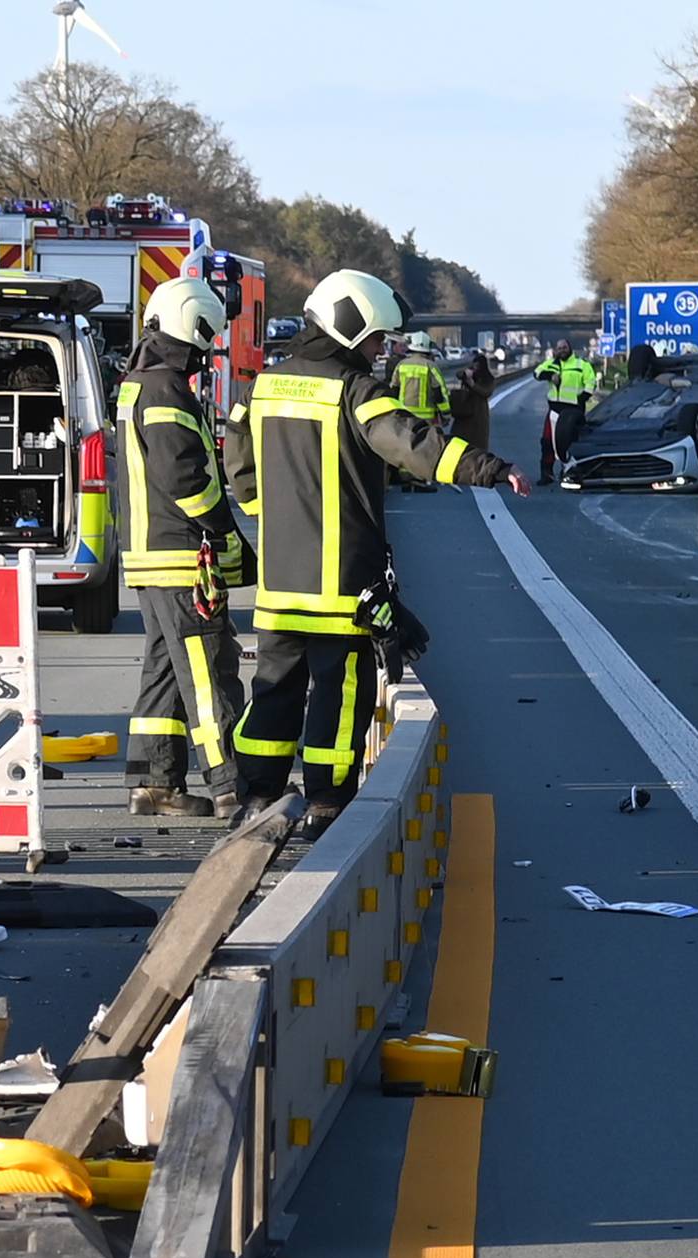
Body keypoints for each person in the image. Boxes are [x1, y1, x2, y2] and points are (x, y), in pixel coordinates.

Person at [224, 270, 531, 836]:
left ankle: (257, 795)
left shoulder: (261, 389)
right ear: (349, 328)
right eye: (374, 340)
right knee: (341, 693)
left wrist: (280, 520)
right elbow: (413, 445)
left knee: (273, 688)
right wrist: (489, 468)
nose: (379, 352)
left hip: (279, 579)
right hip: (341, 578)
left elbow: (241, 475)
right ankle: (325, 804)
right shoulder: (355, 392)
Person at [116, 279, 251, 818]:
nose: (201, 356)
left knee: (166, 670)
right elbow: (186, 477)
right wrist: (223, 532)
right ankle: (231, 785)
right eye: (202, 343)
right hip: (180, 556)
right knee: (208, 669)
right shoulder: (167, 389)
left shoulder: (137, 382)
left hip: (149, 557)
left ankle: (154, 783)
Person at [392, 332, 452, 491]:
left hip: (403, 414)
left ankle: (406, 478)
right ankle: (422, 477)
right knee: (426, 446)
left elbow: (393, 389)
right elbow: (441, 393)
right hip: (426, 416)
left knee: (405, 445)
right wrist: (445, 414)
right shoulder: (430, 367)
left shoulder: (401, 365)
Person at [534, 338, 598, 485]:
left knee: (570, 443)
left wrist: (582, 398)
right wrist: (550, 375)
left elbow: (591, 382)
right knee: (547, 442)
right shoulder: (552, 363)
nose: (562, 350)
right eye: (559, 348)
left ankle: (571, 471)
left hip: (573, 411)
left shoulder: (581, 365)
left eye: (564, 347)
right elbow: (537, 373)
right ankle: (546, 474)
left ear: (570, 348)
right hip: (554, 410)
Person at [448, 350, 496, 448]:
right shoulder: (470, 373)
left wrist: (472, 384)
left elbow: (486, 392)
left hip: (478, 415)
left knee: (477, 443)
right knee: (460, 441)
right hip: (464, 411)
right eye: (474, 365)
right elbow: (459, 374)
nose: (476, 368)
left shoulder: (488, 379)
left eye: (478, 366)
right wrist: (466, 374)